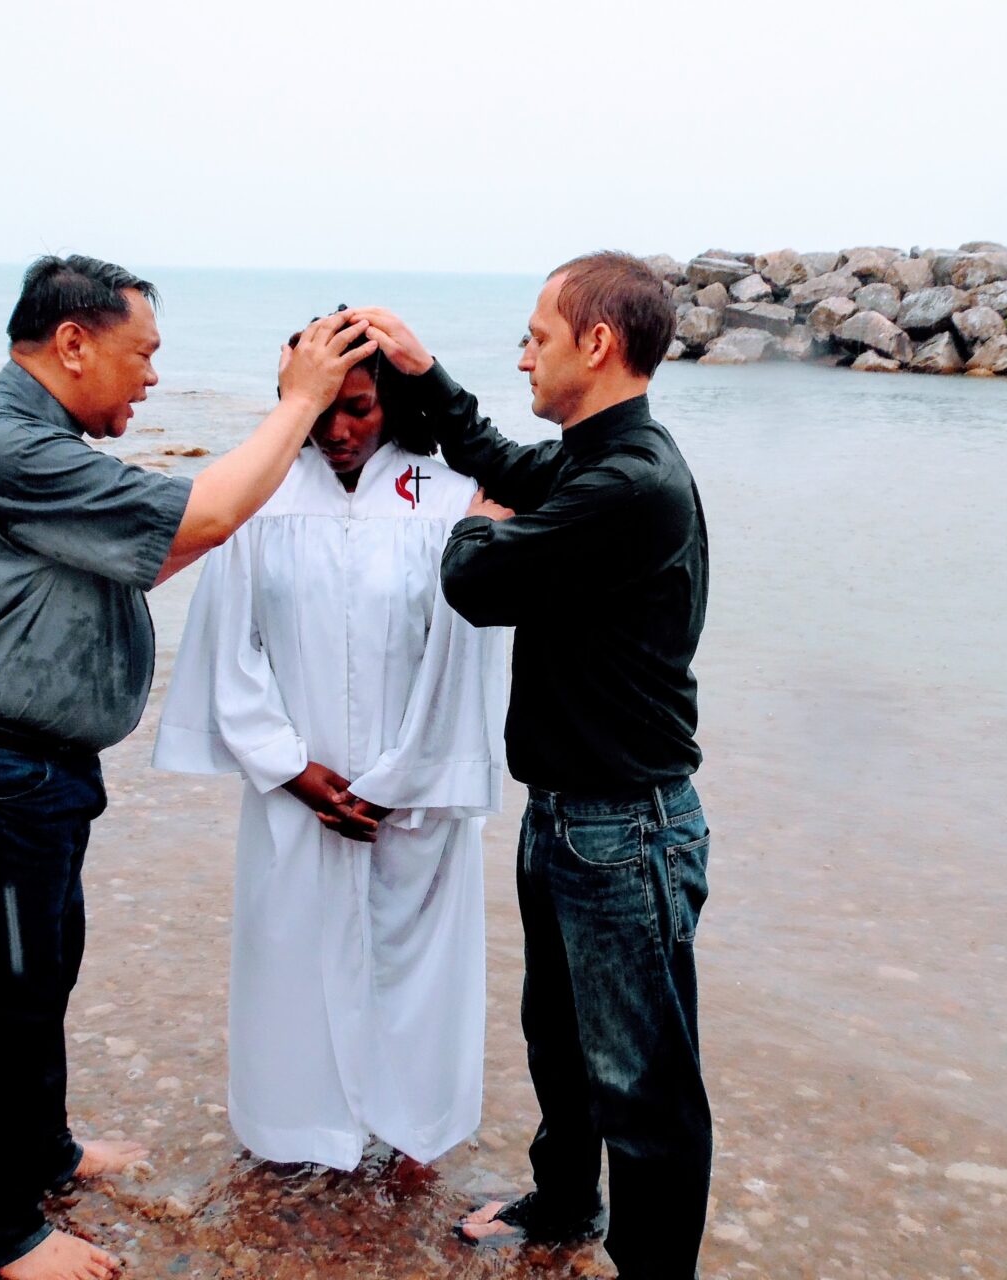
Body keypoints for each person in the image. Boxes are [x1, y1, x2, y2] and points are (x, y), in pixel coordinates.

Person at [0, 255, 373, 1280]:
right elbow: (196, 516)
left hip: (25, 767)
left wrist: (230, 500)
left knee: (38, 972)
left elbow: (156, 549)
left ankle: (43, 1153)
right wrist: (298, 405)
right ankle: (0, 1232)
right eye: (141, 352)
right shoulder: (8, 443)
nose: (152, 376)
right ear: (74, 342)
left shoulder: (32, 439)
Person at [348, 251, 712, 1280]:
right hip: (568, 813)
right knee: (559, 1040)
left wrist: (474, 525)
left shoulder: (631, 483)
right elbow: (502, 463)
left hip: (624, 823)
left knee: (645, 1088)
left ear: (596, 343)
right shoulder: (598, 459)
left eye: (536, 338)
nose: (523, 358)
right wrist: (425, 375)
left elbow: (474, 577)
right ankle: (560, 1207)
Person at [152, 324, 506, 1173]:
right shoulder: (261, 500)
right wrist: (291, 768)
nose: (336, 432)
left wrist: (406, 775)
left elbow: (464, 657)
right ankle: (295, 1131)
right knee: (291, 963)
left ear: (393, 405)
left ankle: (415, 1130)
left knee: (417, 971)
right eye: (317, 411)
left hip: (413, 797)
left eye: (358, 409)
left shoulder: (448, 497)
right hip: (298, 793)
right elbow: (232, 651)